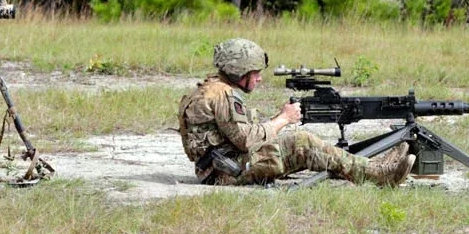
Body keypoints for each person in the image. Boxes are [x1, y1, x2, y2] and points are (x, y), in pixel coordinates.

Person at [178, 38, 415, 187]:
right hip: (227, 171)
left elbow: (238, 135)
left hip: (221, 166)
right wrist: (284, 119)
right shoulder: (222, 95)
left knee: (299, 146)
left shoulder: (210, 89)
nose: (259, 78)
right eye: (255, 72)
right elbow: (246, 140)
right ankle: (378, 174)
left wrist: (276, 122)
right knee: (302, 142)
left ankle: (368, 166)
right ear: (240, 70)